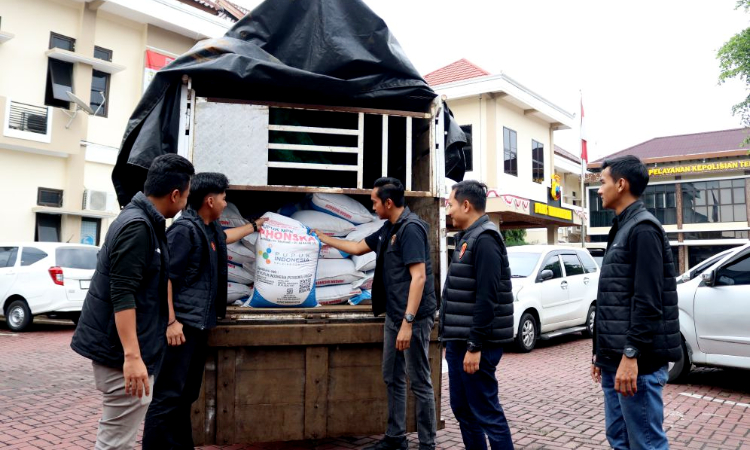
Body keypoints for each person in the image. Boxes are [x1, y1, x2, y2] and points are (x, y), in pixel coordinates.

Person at [70, 154, 195, 450]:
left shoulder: (145, 221)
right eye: (186, 196)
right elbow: (122, 293)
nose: (185, 203)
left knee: (119, 439)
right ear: (174, 195)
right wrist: (132, 357)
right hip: (120, 354)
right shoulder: (138, 226)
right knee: (115, 443)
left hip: (125, 350)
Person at [141, 173, 265, 449]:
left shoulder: (208, 228)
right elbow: (165, 278)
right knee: (167, 396)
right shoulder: (183, 231)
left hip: (197, 326)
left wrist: (254, 226)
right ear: (210, 200)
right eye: (223, 197)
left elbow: (226, 237)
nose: (225, 202)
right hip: (181, 327)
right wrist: (171, 322)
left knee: (186, 395)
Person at [315, 177, 437, 450]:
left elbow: (418, 278)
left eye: (374, 202)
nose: (372, 207)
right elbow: (358, 247)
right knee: (391, 376)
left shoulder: (411, 229)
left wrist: (408, 322)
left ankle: (427, 445)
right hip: (394, 314)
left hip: (413, 317)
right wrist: (324, 238)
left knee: (419, 381)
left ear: (388, 202)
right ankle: (395, 438)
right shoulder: (388, 228)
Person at [590, 155, 681, 450]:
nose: (598, 189)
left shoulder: (643, 229)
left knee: (645, 443)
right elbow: (613, 298)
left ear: (621, 184)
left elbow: (648, 301)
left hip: (636, 363)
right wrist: (600, 354)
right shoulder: (622, 227)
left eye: (602, 182)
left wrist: (631, 355)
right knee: (619, 439)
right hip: (614, 361)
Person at [441, 180, 515, 450]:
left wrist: (475, 345)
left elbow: (488, 296)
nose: (448, 210)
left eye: (450, 204)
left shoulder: (485, 239)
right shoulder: (469, 237)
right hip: (460, 341)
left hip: (476, 344)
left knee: (486, 412)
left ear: (466, 205)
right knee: (463, 408)